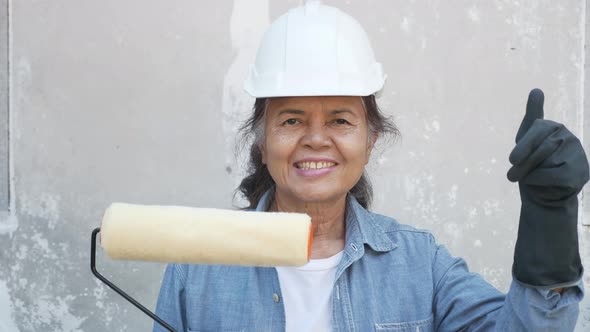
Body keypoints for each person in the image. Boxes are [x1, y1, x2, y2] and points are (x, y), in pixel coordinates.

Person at [154, 2, 588, 331]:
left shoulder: (421, 264)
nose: (316, 138)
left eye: (340, 120)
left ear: (370, 141)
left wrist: (549, 222)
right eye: (291, 120)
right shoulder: (197, 269)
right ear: (263, 144)